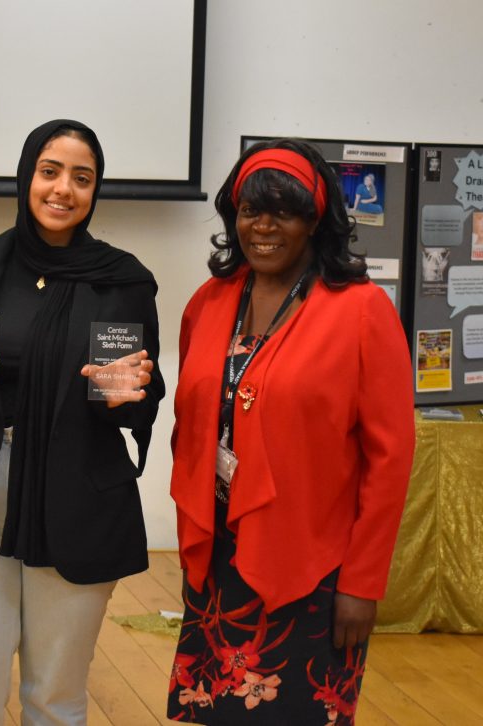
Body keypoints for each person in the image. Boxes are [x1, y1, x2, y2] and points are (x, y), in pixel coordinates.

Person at [0, 119, 164, 725]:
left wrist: (128, 397)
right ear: (26, 177)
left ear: (96, 190)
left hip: (77, 495)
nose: (63, 190)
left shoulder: (123, 280)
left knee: (54, 700)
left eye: (82, 178)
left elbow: (147, 399)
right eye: (50, 172)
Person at [166, 139, 414, 725]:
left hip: (314, 570)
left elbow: (391, 457)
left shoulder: (361, 310)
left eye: (285, 210)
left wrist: (363, 583)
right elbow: (193, 421)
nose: (265, 226)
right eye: (251, 211)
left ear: (315, 220)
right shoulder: (209, 302)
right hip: (218, 561)